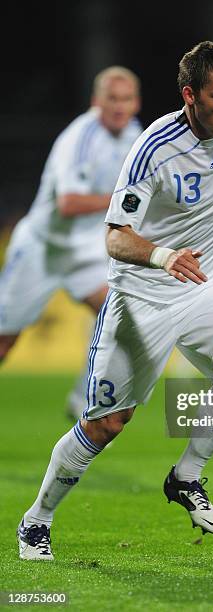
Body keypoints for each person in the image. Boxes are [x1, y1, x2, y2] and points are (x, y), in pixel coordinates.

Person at [17, 41, 213, 561]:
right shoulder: (154, 147)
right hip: (142, 296)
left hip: (206, 284)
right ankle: (37, 519)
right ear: (190, 95)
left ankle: (187, 475)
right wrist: (162, 257)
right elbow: (115, 237)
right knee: (108, 423)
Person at [0, 66, 142, 415]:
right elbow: (69, 202)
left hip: (86, 253)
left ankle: (84, 399)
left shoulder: (134, 134)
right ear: (97, 101)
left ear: (136, 103)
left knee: (122, 317)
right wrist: (121, 197)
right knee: (4, 342)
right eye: (113, 99)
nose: (120, 107)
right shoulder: (80, 138)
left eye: (127, 99)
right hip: (42, 249)